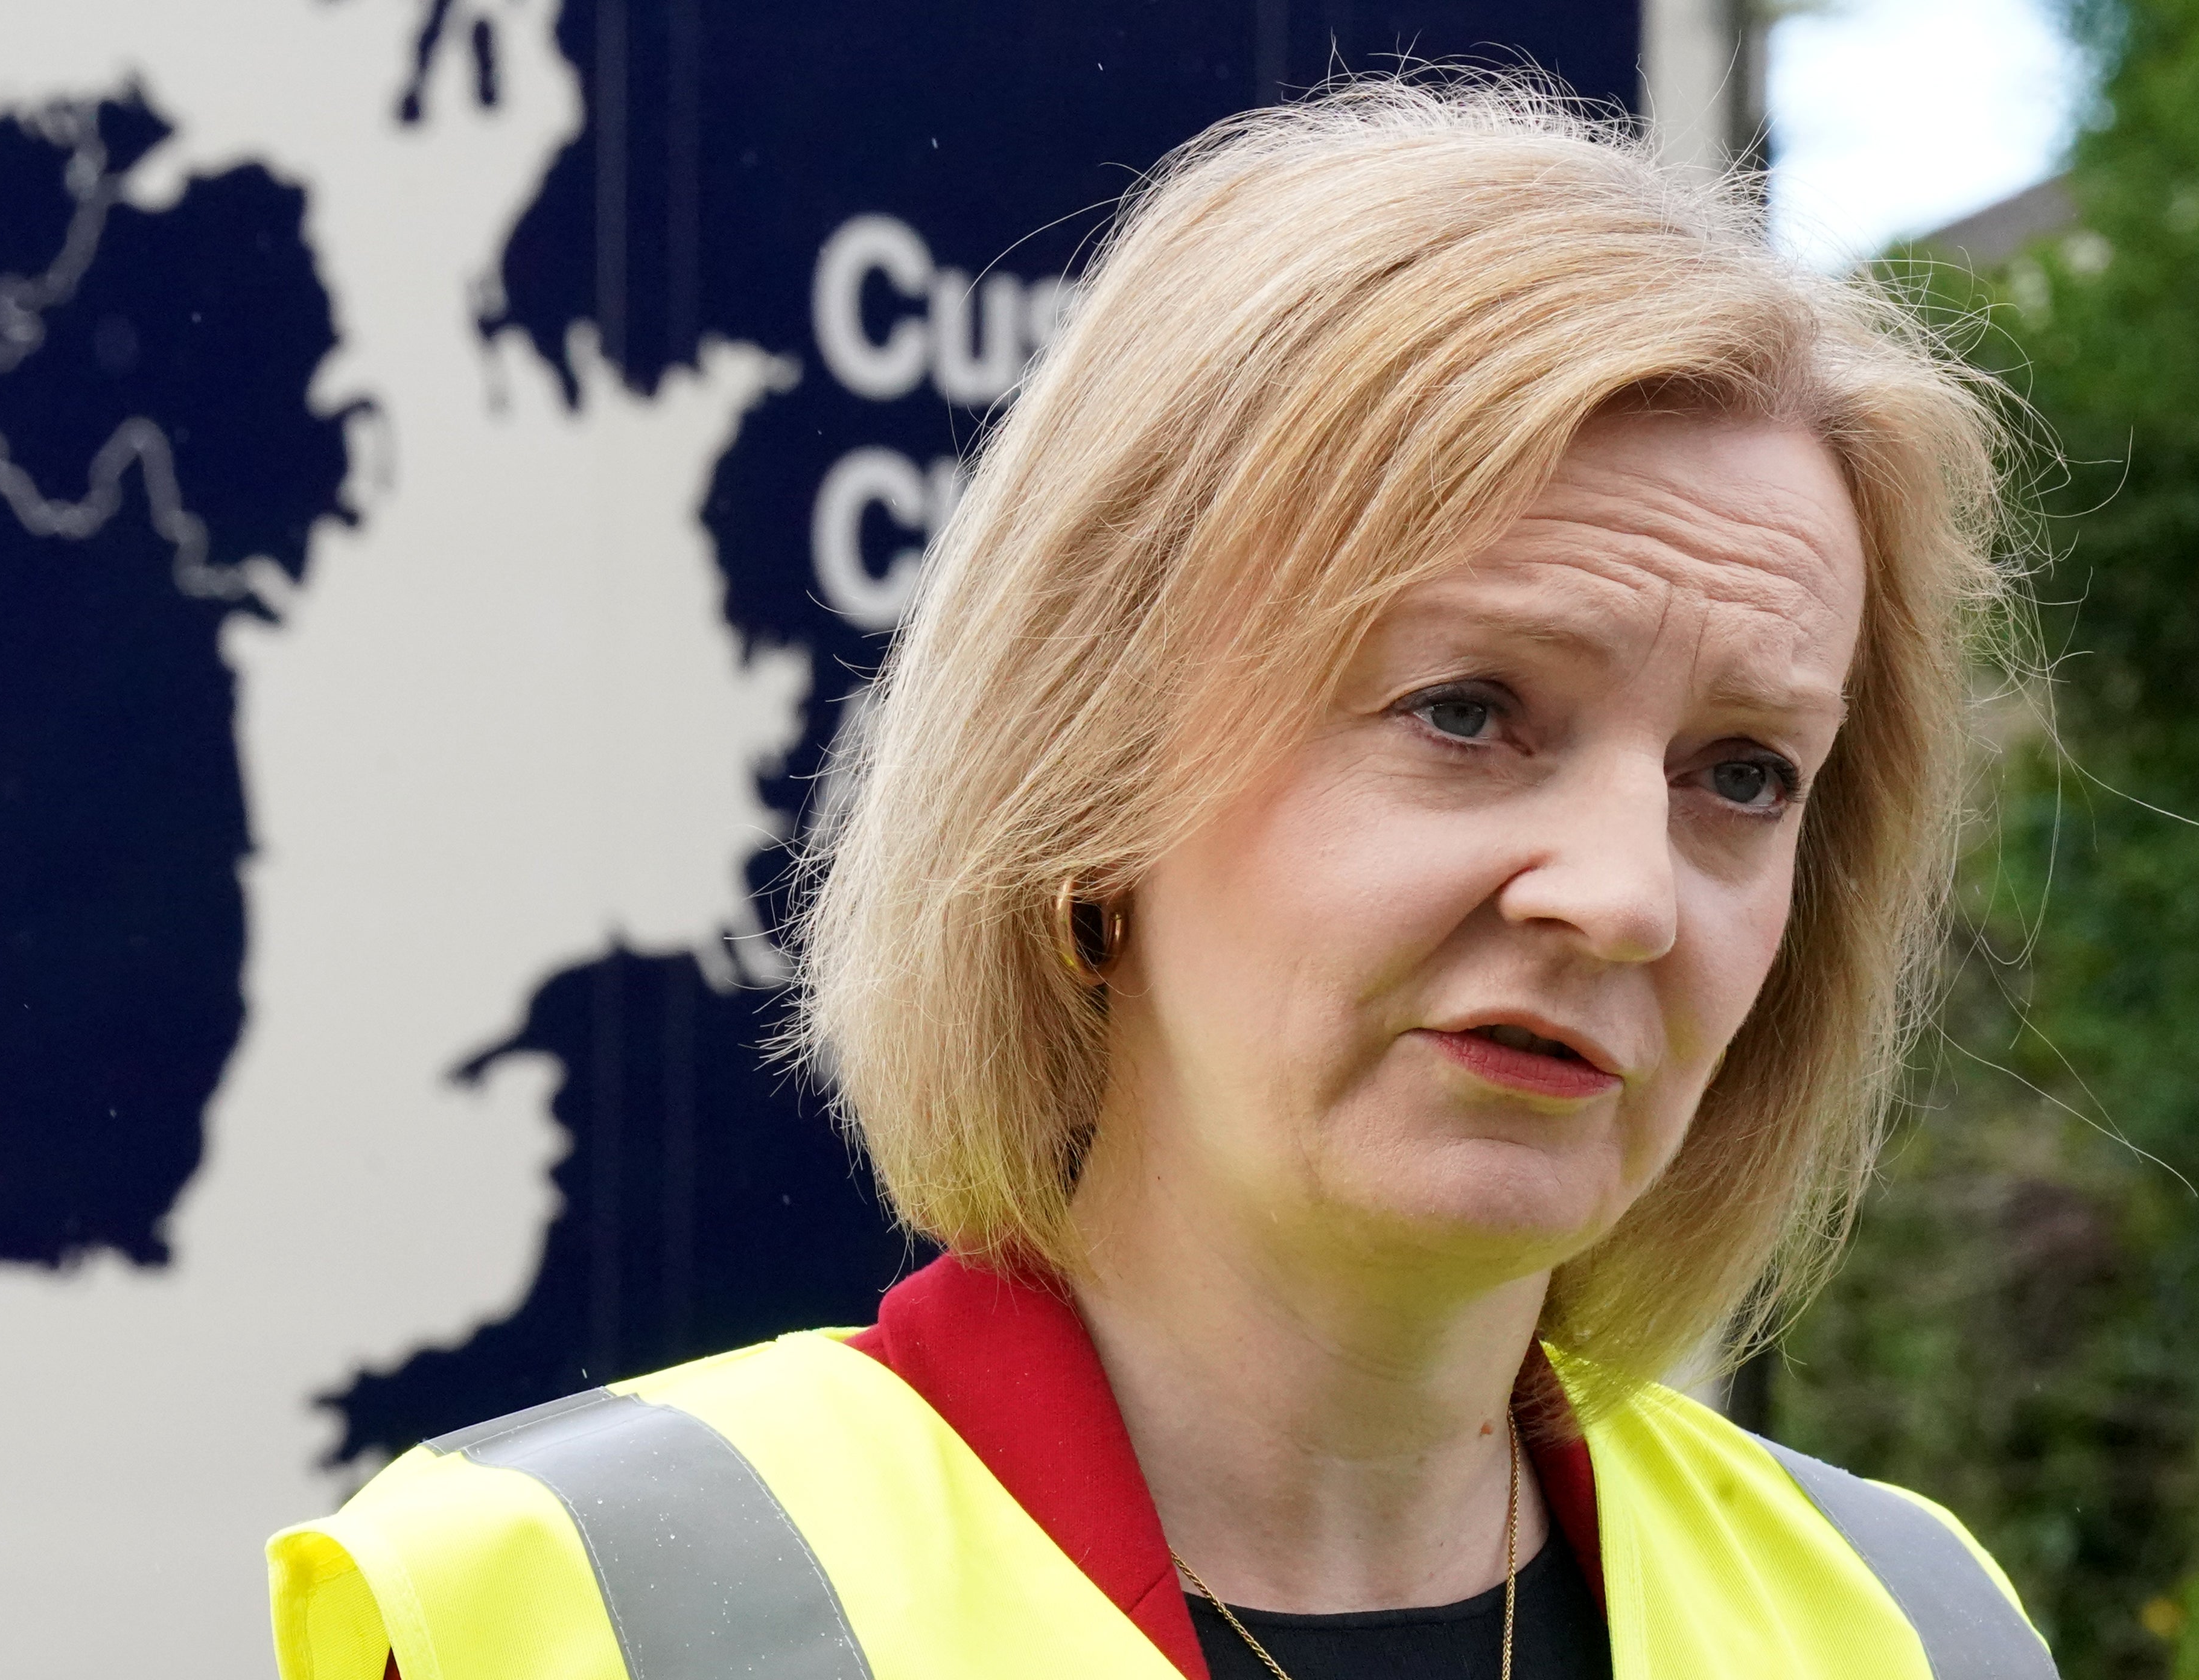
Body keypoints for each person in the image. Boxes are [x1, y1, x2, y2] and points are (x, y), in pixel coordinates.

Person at [267, 78, 2051, 1679]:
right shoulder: (559, 1610)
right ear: (1093, 765)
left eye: (1744, 775)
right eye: (1466, 711)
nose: (1626, 895)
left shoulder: (1916, 1632)